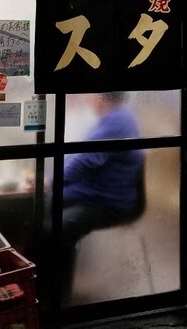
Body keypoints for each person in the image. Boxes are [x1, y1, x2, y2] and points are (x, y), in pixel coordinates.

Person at [60, 91, 145, 300]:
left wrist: (53, 181)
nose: (88, 98)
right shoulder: (115, 117)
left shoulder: (117, 121)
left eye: (92, 94)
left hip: (111, 202)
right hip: (99, 195)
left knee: (61, 226)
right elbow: (81, 155)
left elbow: (84, 159)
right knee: (46, 209)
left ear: (102, 97)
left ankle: (58, 295)